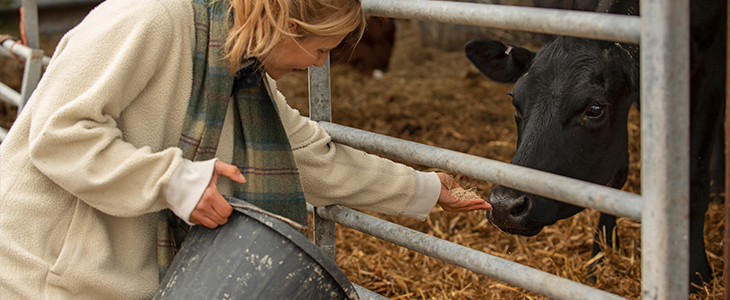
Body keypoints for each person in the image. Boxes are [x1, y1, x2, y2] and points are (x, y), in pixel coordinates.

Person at [0, 0, 492, 298]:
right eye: (321, 49)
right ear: (286, 23)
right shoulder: (149, 17)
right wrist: (172, 181)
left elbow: (309, 156)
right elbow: (59, 132)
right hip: (41, 277)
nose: (323, 62)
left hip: (123, 280)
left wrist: (425, 189)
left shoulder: (239, 68)